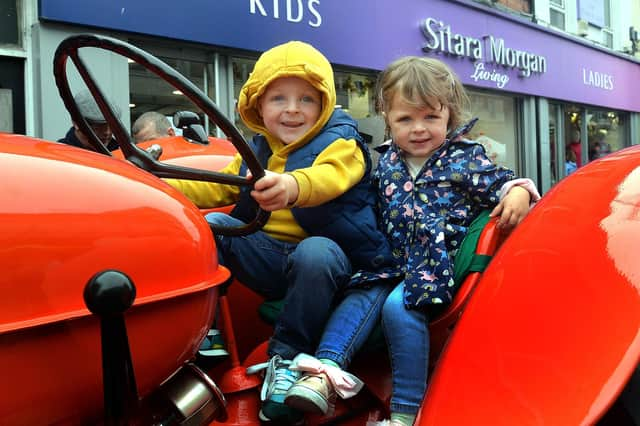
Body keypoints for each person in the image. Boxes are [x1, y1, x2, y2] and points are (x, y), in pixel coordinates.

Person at [283, 56, 541, 426]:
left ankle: (405, 413)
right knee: (359, 297)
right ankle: (323, 373)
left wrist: (517, 191)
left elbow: (499, 180)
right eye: (406, 119)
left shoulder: (463, 158)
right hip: (389, 261)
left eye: (430, 118)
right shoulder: (385, 161)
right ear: (387, 117)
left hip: (436, 266)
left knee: (397, 307)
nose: (418, 129)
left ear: (448, 116)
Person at [165, 40, 394, 424]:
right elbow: (218, 184)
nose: (292, 109)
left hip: (335, 266)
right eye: (279, 99)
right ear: (258, 105)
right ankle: (208, 334)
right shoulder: (255, 149)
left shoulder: (342, 143)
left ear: (323, 107)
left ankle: (286, 357)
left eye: (306, 100)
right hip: (273, 259)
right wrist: (160, 186)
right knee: (214, 226)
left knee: (315, 251)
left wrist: (292, 187)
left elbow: (330, 179)